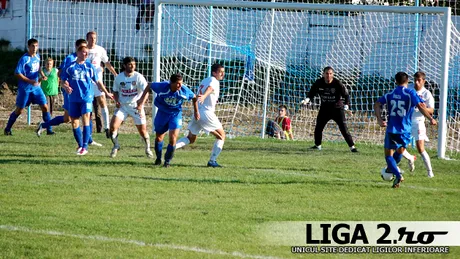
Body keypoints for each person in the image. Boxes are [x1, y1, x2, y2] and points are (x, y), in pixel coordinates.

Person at [374, 72, 437, 188]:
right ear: (408, 81)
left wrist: (379, 119)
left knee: (389, 156)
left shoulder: (390, 93)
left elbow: (377, 103)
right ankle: (395, 171)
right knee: (399, 151)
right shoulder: (410, 93)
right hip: (405, 130)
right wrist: (431, 119)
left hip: (392, 129)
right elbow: (421, 106)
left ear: (396, 82)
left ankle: (397, 174)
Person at [36, 39, 102, 146]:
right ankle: (45, 125)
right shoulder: (70, 59)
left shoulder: (86, 60)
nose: (84, 51)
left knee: (83, 115)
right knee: (69, 118)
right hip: (70, 94)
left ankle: (88, 140)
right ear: (76, 48)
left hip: (84, 94)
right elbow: (61, 73)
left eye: (85, 48)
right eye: (81, 48)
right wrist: (66, 86)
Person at [60, 45, 113, 155]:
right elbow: (62, 80)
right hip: (73, 98)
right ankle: (80, 145)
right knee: (74, 122)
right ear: (78, 52)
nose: (85, 54)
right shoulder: (70, 66)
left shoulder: (89, 66)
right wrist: (66, 86)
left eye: (87, 53)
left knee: (86, 119)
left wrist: (107, 92)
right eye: (83, 52)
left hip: (87, 97)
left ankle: (85, 146)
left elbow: (98, 82)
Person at [137, 73, 198, 167]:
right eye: (178, 83)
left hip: (175, 115)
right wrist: (141, 100)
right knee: (158, 138)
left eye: (181, 83)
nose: (180, 85)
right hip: (162, 113)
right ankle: (158, 158)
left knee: (173, 138)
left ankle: (167, 161)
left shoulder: (183, 90)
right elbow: (149, 85)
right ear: (171, 83)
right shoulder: (162, 87)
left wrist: (196, 112)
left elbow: (194, 97)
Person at [175, 64, 226, 167]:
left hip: (197, 112)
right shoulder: (214, 80)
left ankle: (172, 147)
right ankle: (212, 161)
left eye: (223, 72)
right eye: (220, 72)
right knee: (221, 136)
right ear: (214, 73)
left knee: (191, 138)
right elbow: (210, 88)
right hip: (207, 113)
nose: (222, 74)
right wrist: (204, 96)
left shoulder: (204, 80)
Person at [4, 38, 53, 136]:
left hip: (36, 88)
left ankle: (49, 129)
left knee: (44, 106)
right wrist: (29, 81)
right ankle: (7, 129)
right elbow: (17, 73)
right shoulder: (24, 59)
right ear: (28, 47)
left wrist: (42, 74)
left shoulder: (37, 56)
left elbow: (38, 67)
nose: (35, 48)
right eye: (33, 46)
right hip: (25, 89)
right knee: (19, 110)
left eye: (36, 46)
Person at [302, 66, 357, 152]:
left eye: (330, 73)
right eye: (327, 73)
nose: (328, 75)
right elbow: (311, 93)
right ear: (323, 74)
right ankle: (318, 146)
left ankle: (352, 147)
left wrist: (346, 105)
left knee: (344, 129)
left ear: (333, 74)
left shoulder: (337, 83)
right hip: (324, 109)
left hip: (337, 110)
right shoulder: (319, 83)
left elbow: (346, 95)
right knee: (318, 128)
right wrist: (307, 100)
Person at [109, 57, 153, 158]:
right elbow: (115, 91)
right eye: (130, 64)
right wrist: (117, 100)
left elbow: (146, 90)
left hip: (136, 106)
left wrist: (141, 103)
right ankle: (116, 145)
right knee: (112, 127)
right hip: (123, 106)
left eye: (134, 64)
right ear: (124, 66)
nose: (132, 66)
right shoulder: (119, 77)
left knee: (142, 131)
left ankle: (148, 149)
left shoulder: (138, 77)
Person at [402, 72, 435, 178]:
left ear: (423, 81)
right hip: (405, 121)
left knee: (420, 148)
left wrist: (424, 108)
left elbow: (431, 110)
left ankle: (430, 172)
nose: (416, 82)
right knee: (399, 146)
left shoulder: (426, 94)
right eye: (415, 80)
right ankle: (410, 158)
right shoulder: (408, 89)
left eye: (419, 80)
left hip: (418, 122)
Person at [86, 31, 118, 138]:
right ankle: (87, 128)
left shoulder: (100, 50)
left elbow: (107, 63)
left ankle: (107, 128)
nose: (93, 40)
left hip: (98, 81)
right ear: (87, 39)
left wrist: (115, 74)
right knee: (87, 105)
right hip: (86, 82)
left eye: (94, 38)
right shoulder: (83, 50)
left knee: (102, 102)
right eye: (91, 38)